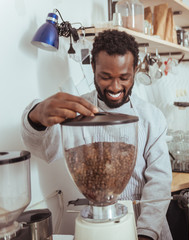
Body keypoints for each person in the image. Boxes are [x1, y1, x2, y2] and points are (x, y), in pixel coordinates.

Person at [21, 30, 172, 240]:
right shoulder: (76, 111)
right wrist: (35, 116)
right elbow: (46, 151)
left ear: (135, 70)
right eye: (105, 77)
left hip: (144, 224)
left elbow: (160, 182)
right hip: (95, 220)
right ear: (93, 68)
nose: (115, 86)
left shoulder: (151, 117)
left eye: (124, 77)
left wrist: (146, 233)